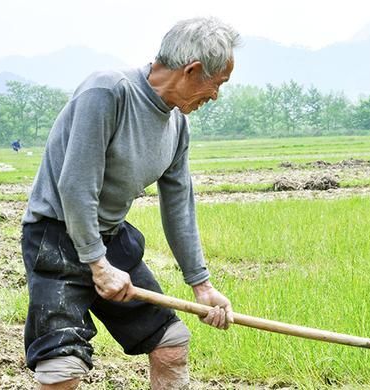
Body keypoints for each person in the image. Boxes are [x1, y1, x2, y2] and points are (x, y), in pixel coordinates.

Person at [20, 17, 241, 390]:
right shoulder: (108, 92)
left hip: (109, 237)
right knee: (62, 368)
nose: (215, 96)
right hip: (56, 238)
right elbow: (75, 186)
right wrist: (97, 264)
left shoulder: (177, 124)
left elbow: (178, 205)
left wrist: (201, 285)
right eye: (217, 84)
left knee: (171, 344)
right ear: (193, 70)